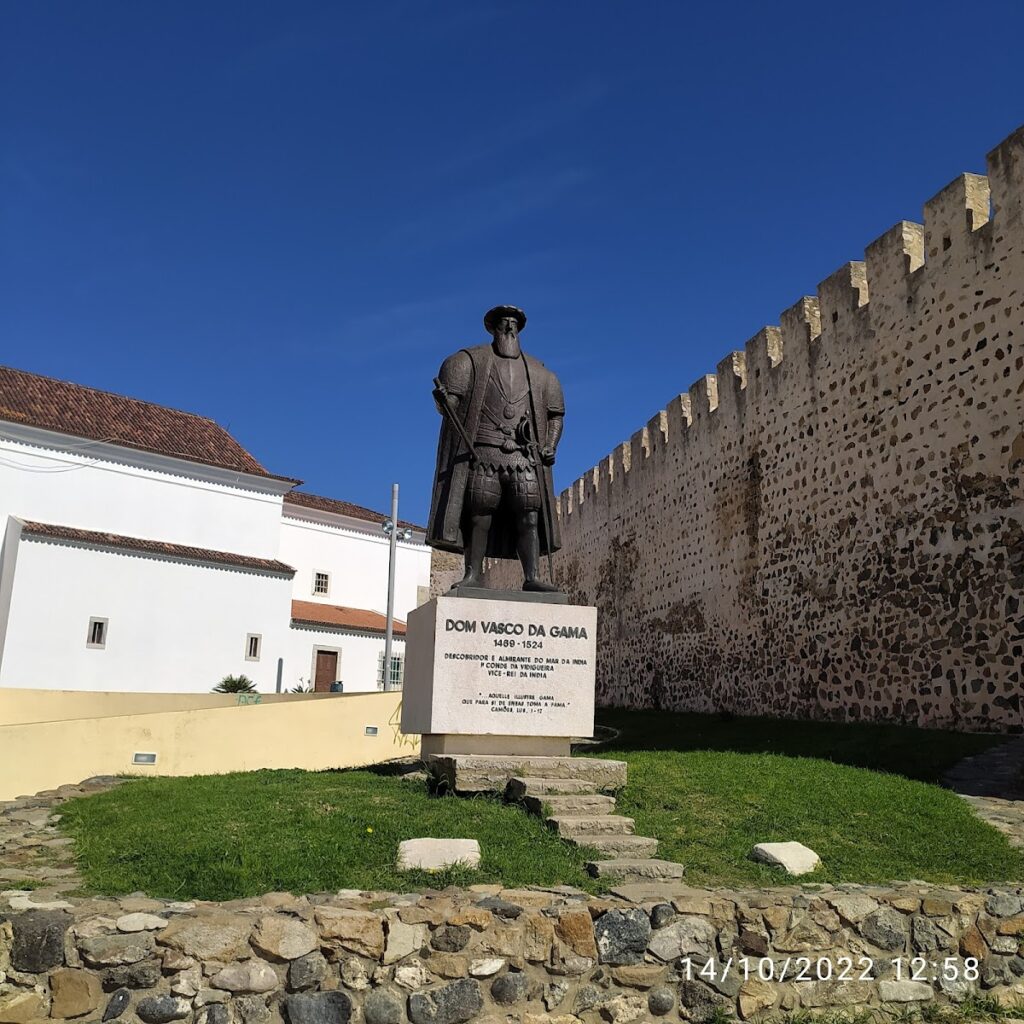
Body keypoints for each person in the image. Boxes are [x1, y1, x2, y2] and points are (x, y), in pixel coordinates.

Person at [426, 305, 564, 592]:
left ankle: (532, 576)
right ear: (493, 328)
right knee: (479, 511)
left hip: (523, 455)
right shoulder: (470, 361)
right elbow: (452, 404)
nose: (509, 327)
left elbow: (555, 414)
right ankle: (473, 575)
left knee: (529, 513)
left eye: (514, 323)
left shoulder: (539, 372)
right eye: (503, 322)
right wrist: (444, 400)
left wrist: (550, 445)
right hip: (485, 450)